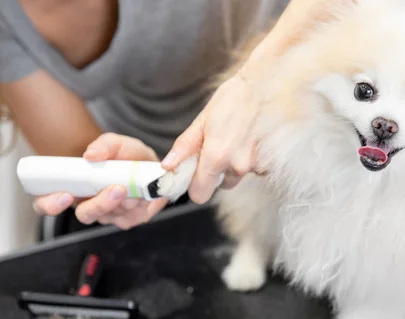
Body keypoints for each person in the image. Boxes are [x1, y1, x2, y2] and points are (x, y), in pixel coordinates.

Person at [0, 0, 349, 237]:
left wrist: (257, 81)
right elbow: (77, 149)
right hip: (163, 168)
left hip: (300, 124)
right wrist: (119, 176)